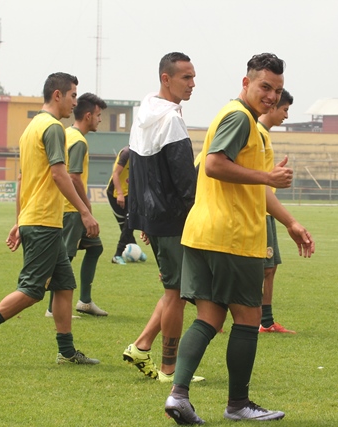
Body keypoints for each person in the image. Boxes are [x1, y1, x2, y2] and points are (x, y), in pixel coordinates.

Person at [164, 53, 314, 425]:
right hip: (232, 237)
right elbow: (214, 165)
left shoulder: (239, 119)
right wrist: (267, 178)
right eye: (265, 87)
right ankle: (238, 404)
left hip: (203, 233)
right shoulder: (239, 118)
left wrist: (291, 222)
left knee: (210, 317)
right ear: (246, 83)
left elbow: (251, 185)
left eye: (276, 90)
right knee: (248, 319)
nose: (271, 96)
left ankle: (178, 396)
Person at [0, 72, 100, 366]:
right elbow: (60, 174)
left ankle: (67, 351)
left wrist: (19, 220)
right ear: (57, 95)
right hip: (45, 221)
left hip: (38, 218)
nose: (75, 102)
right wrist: (85, 211)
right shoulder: (53, 128)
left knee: (64, 284)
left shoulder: (31, 127)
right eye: (73, 95)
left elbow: (23, 180)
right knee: (33, 289)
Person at [123, 52, 202, 383]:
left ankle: (141, 346)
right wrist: (200, 214)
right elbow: (186, 181)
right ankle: (169, 370)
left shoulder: (144, 113)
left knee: (176, 290)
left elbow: (136, 172)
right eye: (186, 77)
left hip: (156, 218)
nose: (193, 84)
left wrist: (142, 219)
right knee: (177, 293)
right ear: (165, 79)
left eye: (194, 77)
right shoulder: (169, 119)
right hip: (174, 219)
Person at [46, 92, 109, 317]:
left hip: (69, 207)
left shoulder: (67, 134)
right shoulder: (79, 141)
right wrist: (86, 207)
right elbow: (73, 176)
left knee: (96, 248)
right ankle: (53, 308)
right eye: (99, 115)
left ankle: (84, 301)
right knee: (65, 257)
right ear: (89, 115)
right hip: (71, 209)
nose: (100, 120)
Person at [257, 89, 295, 334]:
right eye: (285, 109)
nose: (287, 115)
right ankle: (262, 321)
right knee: (263, 269)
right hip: (259, 212)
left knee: (269, 268)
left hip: (265, 211)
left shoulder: (263, 135)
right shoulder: (257, 133)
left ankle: (265, 321)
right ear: (272, 107)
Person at [106, 145, 137, 265]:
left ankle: (133, 250)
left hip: (130, 193)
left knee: (129, 223)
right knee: (125, 225)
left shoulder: (143, 153)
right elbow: (116, 174)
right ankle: (118, 255)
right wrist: (119, 193)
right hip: (115, 193)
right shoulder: (127, 153)